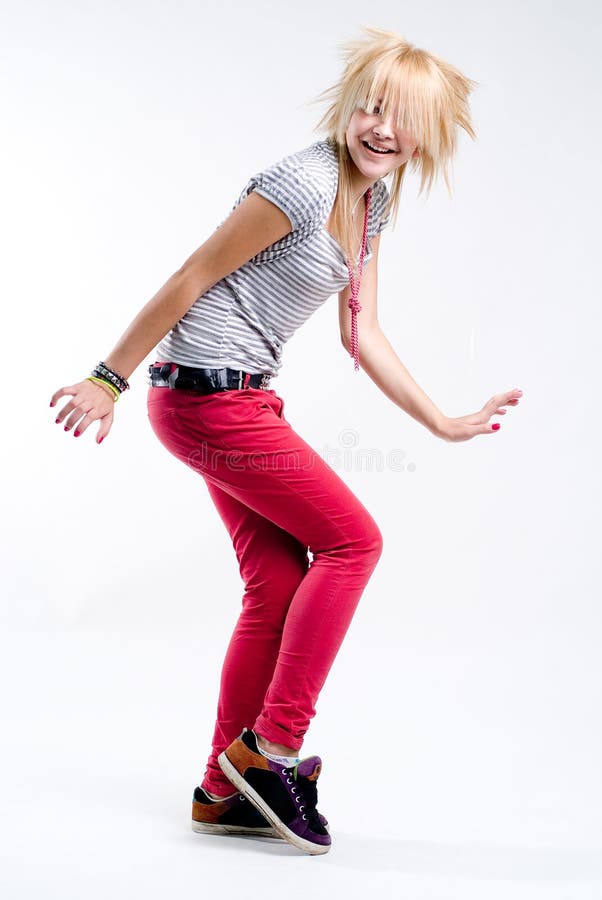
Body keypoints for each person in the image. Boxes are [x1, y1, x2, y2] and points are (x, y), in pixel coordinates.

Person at [49, 25, 523, 856]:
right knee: (355, 543)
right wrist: (108, 377)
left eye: (404, 117)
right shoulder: (302, 183)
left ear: (428, 135)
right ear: (350, 107)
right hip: (205, 400)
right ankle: (271, 753)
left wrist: (445, 421)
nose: (383, 127)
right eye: (373, 107)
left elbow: (362, 331)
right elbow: (191, 276)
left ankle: (220, 790)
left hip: (243, 402)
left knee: (275, 583)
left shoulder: (370, 201)